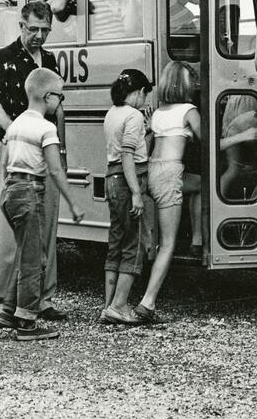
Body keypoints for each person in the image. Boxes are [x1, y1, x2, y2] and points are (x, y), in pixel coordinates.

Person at [0, 1, 69, 327]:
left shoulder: (48, 61)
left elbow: (57, 107)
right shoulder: (3, 58)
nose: (38, 36)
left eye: (45, 30)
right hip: (13, 147)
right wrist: (15, 131)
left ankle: (41, 299)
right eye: (33, 29)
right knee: (8, 232)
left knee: (45, 226)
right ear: (21, 25)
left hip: (44, 150)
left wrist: (59, 148)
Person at [0, 68, 85, 340]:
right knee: (34, 259)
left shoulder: (15, 125)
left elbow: (4, 164)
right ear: (49, 97)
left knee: (26, 252)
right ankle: (27, 322)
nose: (61, 103)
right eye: (60, 97)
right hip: (30, 192)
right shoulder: (46, 128)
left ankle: (9, 308)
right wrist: (73, 203)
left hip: (11, 190)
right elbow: (56, 170)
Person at [135, 61, 202, 322]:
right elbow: (208, 141)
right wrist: (243, 136)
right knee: (168, 245)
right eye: (191, 80)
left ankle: (197, 238)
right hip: (171, 172)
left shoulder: (159, 111)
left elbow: (147, 138)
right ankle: (147, 303)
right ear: (183, 84)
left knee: (200, 185)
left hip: (153, 170)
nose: (196, 85)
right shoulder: (189, 110)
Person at [101, 69, 152, 325]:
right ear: (140, 92)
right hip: (128, 180)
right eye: (145, 95)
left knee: (116, 243)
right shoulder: (133, 115)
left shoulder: (113, 112)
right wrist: (136, 193)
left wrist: (148, 131)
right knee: (134, 245)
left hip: (112, 178)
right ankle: (120, 305)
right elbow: (128, 154)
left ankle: (108, 304)